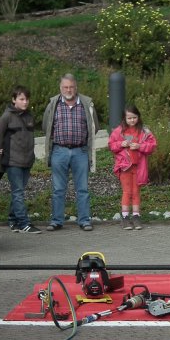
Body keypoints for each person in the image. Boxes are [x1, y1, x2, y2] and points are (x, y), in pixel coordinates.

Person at [42, 74, 100, 232]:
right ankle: (56, 220)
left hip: (80, 152)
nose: (68, 90)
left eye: (71, 87)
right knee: (58, 189)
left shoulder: (86, 104)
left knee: (82, 189)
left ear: (76, 87)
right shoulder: (53, 104)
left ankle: (84, 220)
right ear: (60, 88)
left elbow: (95, 127)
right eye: (65, 87)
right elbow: (45, 126)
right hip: (59, 151)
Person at [0, 85, 40, 234]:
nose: (25, 102)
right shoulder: (7, 116)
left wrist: (32, 157)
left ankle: (13, 220)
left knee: (17, 192)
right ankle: (23, 223)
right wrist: (0, 158)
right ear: (14, 100)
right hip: (12, 161)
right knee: (18, 192)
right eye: (21, 99)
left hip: (27, 161)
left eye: (27, 99)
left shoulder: (29, 116)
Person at [108, 106, 157, 230]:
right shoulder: (118, 131)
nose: (132, 120)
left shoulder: (144, 131)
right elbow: (111, 145)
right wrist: (120, 144)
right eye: (129, 118)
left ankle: (136, 216)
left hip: (139, 167)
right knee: (127, 191)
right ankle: (125, 218)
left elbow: (152, 145)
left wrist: (140, 146)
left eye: (134, 117)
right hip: (124, 167)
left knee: (136, 192)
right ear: (124, 118)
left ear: (138, 117)